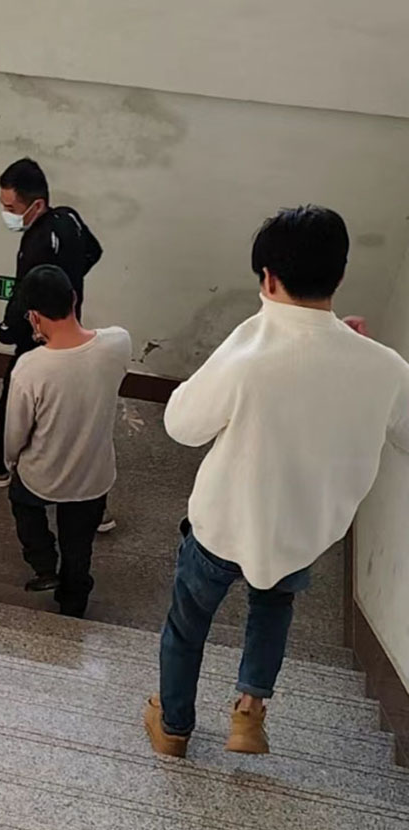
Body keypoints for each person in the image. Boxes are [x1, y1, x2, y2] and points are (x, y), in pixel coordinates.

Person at [145, 205, 409, 758]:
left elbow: (182, 426)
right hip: (300, 534)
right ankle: (248, 714)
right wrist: (354, 356)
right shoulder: (387, 368)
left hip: (222, 527)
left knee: (187, 626)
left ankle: (173, 727)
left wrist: (236, 346)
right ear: (340, 274)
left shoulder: (249, 352)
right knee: (271, 612)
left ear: (267, 278)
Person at [0, 159, 108, 526]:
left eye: (11, 207)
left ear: (36, 204)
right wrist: (68, 286)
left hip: (38, 336)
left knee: (14, 397)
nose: (6, 213)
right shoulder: (70, 219)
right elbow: (94, 252)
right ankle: (91, 501)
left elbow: (22, 298)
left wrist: (7, 329)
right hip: (70, 327)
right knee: (75, 407)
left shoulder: (36, 243)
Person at [4, 265, 131, 616]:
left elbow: (15, 434)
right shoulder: (118, 342)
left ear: (34, 316)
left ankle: (44, 564)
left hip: (42, 476)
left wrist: (12, 460)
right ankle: (73, 604)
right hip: (93, 476)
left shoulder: (30, 368)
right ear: (74, 298)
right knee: (79, 545)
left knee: (22, 501)